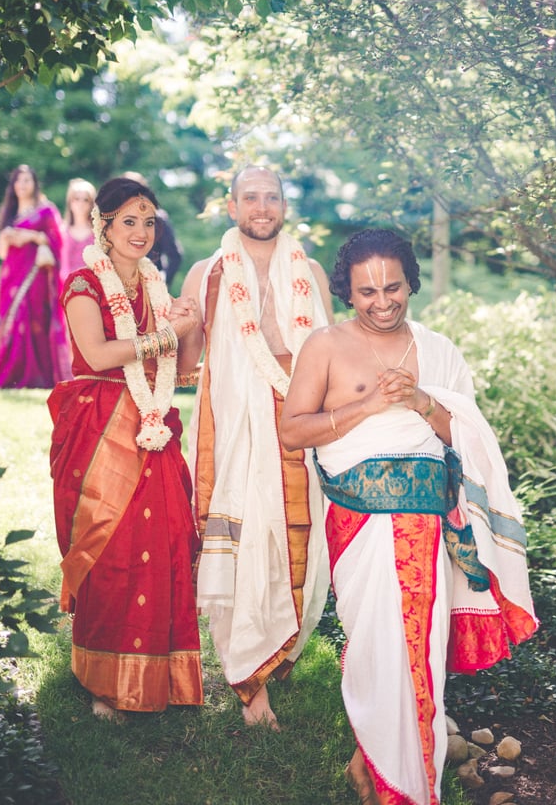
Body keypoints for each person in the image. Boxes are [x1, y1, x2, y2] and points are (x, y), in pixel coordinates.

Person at [280, 228, 538, 805]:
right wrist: (367, 405)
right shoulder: (323, 346)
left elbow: (468, 440)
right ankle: (383, 765)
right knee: (377, 643)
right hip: (358, 521)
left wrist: (423, 402)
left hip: (426, 522)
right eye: (366, 291)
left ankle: (389, 777)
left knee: (414, 648)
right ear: (348, 290)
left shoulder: (440, 349)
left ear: (410, 282)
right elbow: (292, 430)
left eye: (392, 287)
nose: (381, 301)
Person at [178, 164, 334, 729]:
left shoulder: (310, 271)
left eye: (272, 197)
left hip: (298, 422)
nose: (262, 207)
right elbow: (186, 363)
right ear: (231, 206)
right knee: (243, 546)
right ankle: (248, 678)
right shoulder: (208, 273)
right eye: (251, 198)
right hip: (236, 426)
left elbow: (332, 354)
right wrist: (180, 324)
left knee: (298, 539)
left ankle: (279, 648)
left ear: (285, 204)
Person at [48, 176, 204, 719]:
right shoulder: (83, 284)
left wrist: (191, 326)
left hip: (154, 421)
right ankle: (103, 677)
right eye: (128, 221)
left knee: (161, 540)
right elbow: (96, 351)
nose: (140, 232)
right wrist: (167, 334)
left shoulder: (159, 289)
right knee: (109, 545)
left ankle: (161, 674)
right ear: (104, 225)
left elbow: (183, 373)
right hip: (101, 426)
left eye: (148, 221)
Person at [0, 164, 71, 388]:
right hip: (11, 276)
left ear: (35, 183)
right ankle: (10, 376)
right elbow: (2, 253)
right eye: (18, 181)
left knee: (33, 320)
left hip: (35, 276)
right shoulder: (8, 213)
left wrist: (31, 235)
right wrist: (7, 236)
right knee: (11, 324)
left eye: (27, 180)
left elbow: (58, 242)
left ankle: (36, 377)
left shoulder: (46, 210)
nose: (22, 185)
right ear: (13, 185)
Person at [122, 172, 183, 287]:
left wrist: (163, 281)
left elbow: (175, 256)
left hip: (150, 288)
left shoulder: (157, 219)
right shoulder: (113, 219)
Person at [60, 177, 96, 282]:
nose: (81, 203)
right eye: (76, 199)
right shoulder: (62, 231)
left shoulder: (98, 233)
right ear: (70, 202)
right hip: (65, 288)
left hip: (92, 288)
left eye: (86, 200)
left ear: (91, 204)